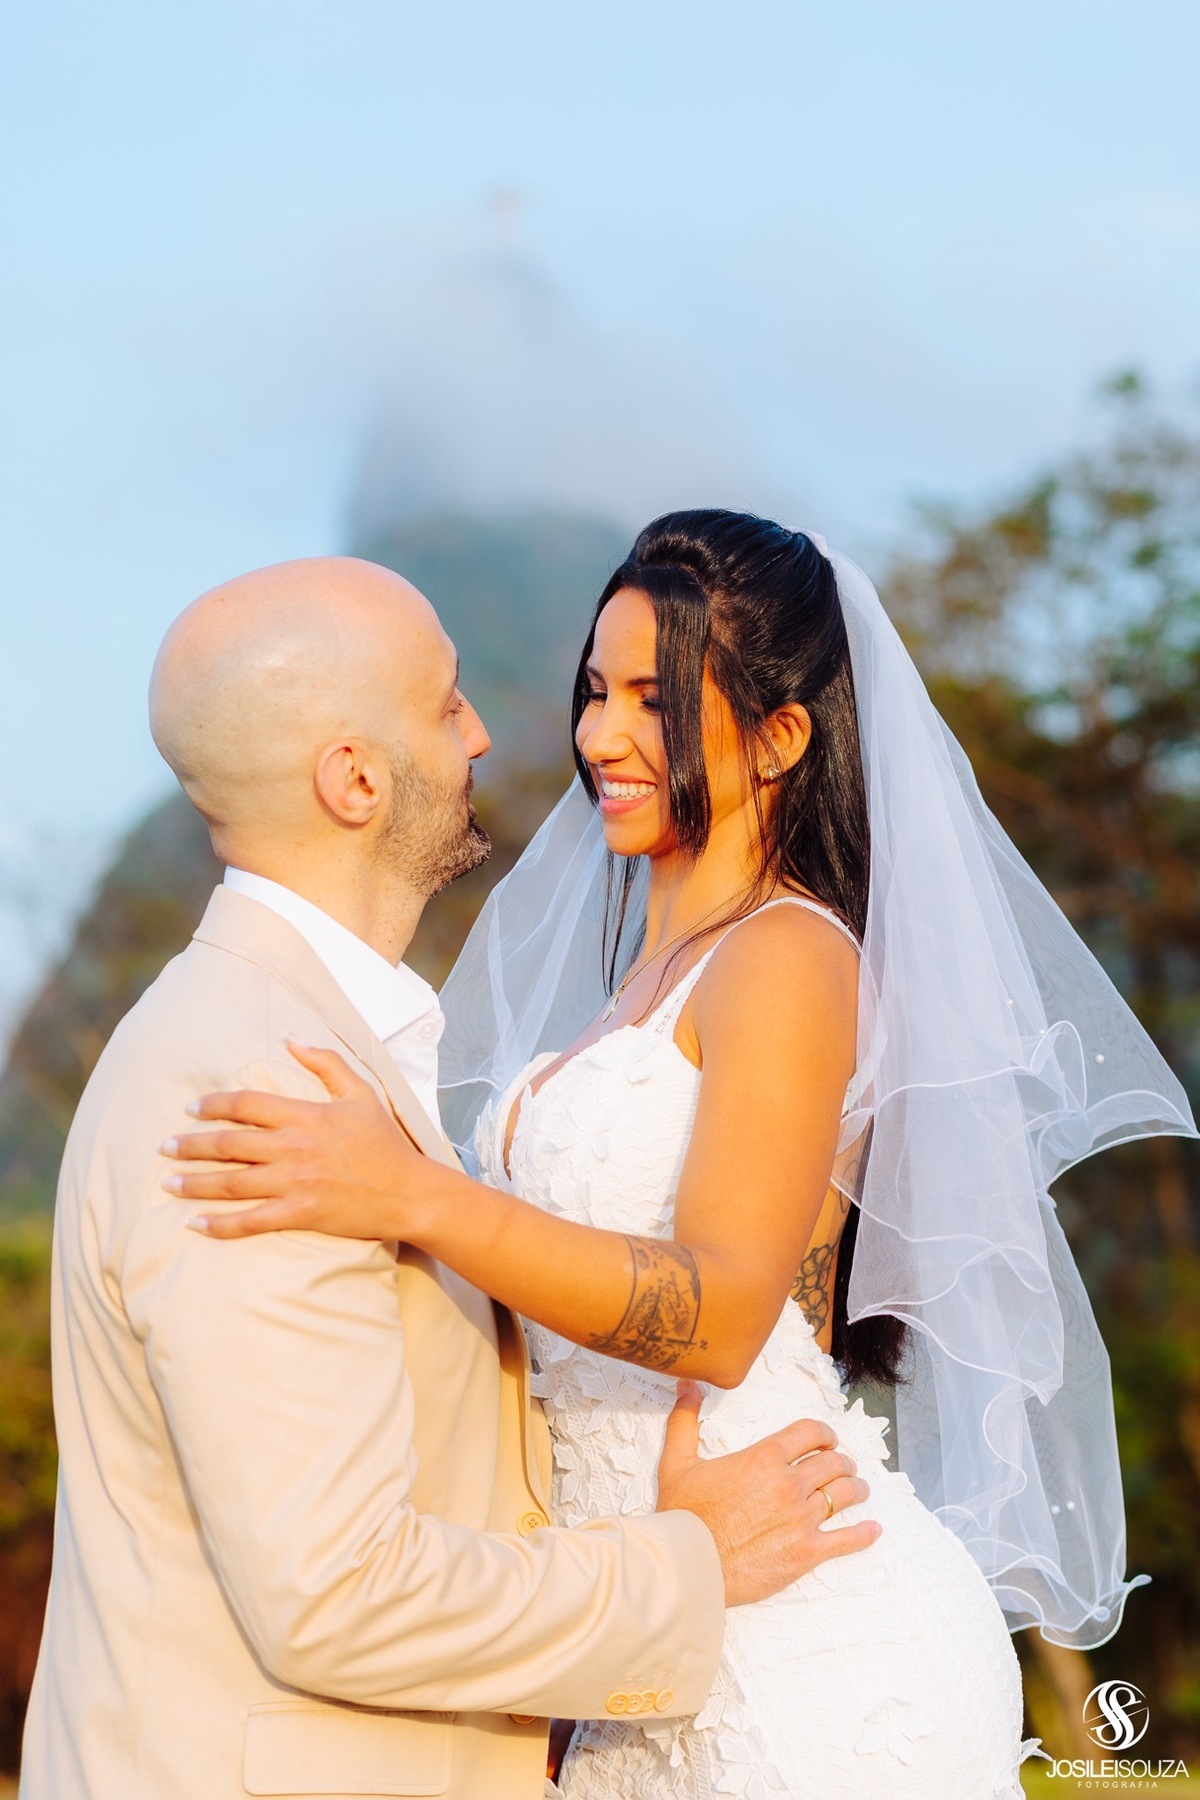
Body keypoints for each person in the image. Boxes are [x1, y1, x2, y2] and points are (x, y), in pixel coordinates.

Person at [166, 516, 1197, 1800]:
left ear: (780, 738)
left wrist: (413, 1194)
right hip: (651, 1625)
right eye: (597, 692)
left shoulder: (790, 958)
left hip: (803, 1634)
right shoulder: (634, 991)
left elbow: (714, 1313)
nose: (601, 736)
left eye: (656, 701)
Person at [19, 555, 881, 1800]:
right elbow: (336, 1595)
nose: (499, 733)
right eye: (445, 704)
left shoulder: (314, 1047)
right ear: (355, 778)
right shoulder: (260, 1088)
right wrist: (687, 1563)